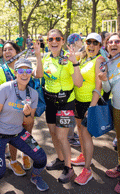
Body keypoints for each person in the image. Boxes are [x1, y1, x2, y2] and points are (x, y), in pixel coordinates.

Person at [0, 58, 49, 192]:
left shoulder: (33, 94)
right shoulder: (5, 88)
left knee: (41, 157)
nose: (24, 74)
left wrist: (28, 115)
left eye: (28, 71)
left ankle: (35, 177)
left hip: (18, 133)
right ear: (15, 72)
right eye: (21, 71)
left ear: (31, 73)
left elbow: (29, 122)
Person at [40, 29, 83, 183]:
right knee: (52, 133)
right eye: (51, 39)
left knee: (62, 136)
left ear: (63, 41)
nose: (54, 42)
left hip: (66, 103)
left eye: (57, 39)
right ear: (47, 41)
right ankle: (60, 159)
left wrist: (75, 63)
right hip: (50, 102)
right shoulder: (45, 58)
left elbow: (78, 83)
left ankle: (69, 167)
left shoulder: (69, 58)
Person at [71, 33, 105, 185]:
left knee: (85, 135)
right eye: (88, 42)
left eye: (95, 43)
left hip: (90, 102)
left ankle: (87, 170)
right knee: (79, 130)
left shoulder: (100, 60)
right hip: (77, 100)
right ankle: (83, 156)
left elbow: (99, 86)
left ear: (100, 45)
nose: (91, 45)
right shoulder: (83, 57)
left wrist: (91, 107)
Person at [98, 33, 120, 193]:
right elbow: (107, 89)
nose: (114, 44)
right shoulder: (108, 63)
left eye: (117, 41)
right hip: (117, 107)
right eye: (110, 42)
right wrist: (104, 79)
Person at [67, 33, 84, 147]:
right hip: (70, 89)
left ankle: (71, 135)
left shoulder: (76, 53)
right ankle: (70, 137)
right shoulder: (73, 54)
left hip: (75, 89)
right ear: (76, 42)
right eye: (81, 40)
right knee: (71, 114)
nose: (82, 42)